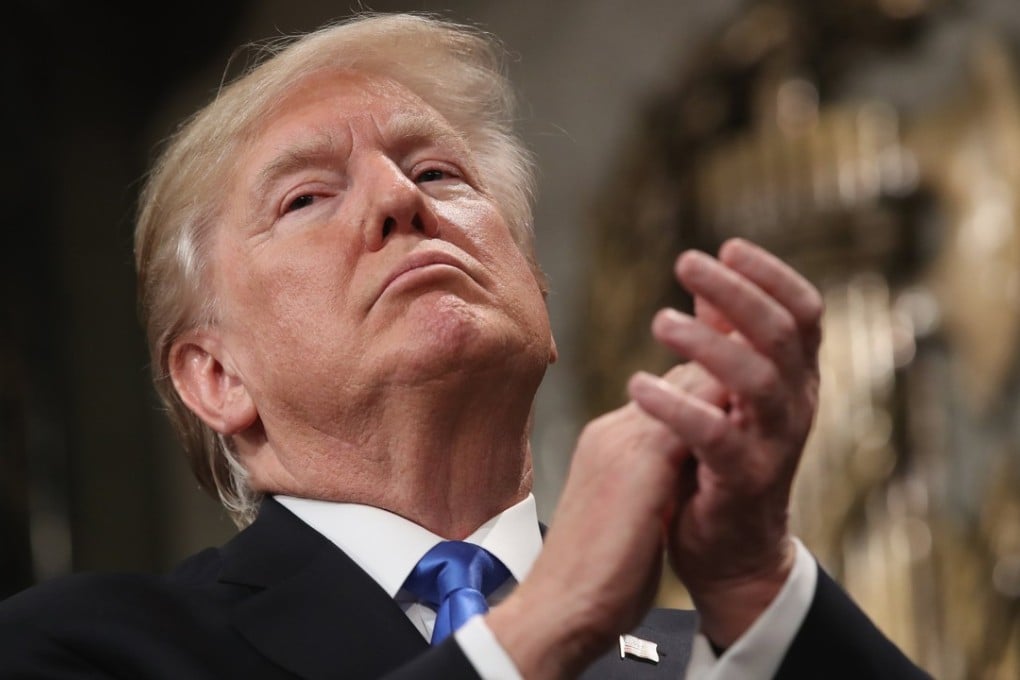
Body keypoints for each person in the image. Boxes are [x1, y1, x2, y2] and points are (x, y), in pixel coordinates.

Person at [0, 12, 930, 679]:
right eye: (306, 197)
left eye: (438, 171)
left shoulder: (714, 660)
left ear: (536, 290)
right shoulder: (88, 647)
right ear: (216, 374)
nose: (401, 200)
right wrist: (534, 633)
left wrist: (755, 576)